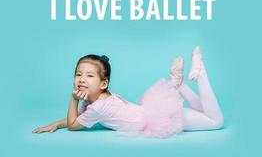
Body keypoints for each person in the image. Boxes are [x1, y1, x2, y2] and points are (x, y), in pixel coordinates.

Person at [32, 46, 224, 138]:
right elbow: (78, 119)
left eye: (90, 76)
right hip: (153, 112)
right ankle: (179, 84)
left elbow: (74, 124)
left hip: (156, 119)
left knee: (216, 122)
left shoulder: (98, 106)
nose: (82, 79)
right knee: (204, 116)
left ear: (103, 83)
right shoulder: (96, 101)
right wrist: (56, 124)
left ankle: (200, 75)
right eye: (78, 74)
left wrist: (73, 99)